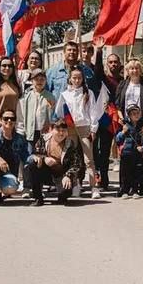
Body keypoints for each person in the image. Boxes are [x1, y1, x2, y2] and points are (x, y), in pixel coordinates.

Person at [53, 69, 106, 198]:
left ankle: (94, 187)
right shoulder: (65, 94)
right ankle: (75, 185)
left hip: (84, 128)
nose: (77, 81)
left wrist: (93, 129)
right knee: (72, 159)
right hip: (70, 129)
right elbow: (59, 112)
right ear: (70, 79)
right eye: (74, 78)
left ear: (83, 79)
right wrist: (61, 127)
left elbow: (93, 111)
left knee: (89, 159)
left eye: (79, 78)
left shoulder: (88, 93)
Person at [23, 119, 84, 206]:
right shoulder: (44, 139)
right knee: (32, 164)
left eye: (63, 131)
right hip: (45, 172)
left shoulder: (70, 144)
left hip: (61, 174)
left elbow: (77, 164)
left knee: (66, 192)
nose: (61, 133)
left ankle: (62, 196)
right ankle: (38, 198)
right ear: (51, 130)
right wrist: (44, 159)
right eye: (58, 130)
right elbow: (35, 153)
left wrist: (68, 175)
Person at [90, 41, 124, 197]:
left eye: (115, 62)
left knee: (122, 151)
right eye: (110, 62)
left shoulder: (124, 81)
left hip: (120, 120)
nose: (113, 64)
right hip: (104, 118)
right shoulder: (103, 79)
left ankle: (127, 182)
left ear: (120, 64)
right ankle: (102, 179)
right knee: (100, 152)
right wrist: (99, 51)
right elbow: (97, 71)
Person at [115, 104, 143, 198]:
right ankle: (124, 191)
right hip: (126, 154)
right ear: (129, 115)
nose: (136, 115)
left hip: (137, 154)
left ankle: (135, 191)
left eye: (138, 113)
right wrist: (123, 132)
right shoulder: (124, 125)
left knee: (137, 173)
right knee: (125, 174)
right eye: (133, 113)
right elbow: (117, 140)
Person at [17, 69, 55, 146]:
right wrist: (21, 132)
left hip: (45, 132)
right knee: (30, 155)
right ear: (32, 81)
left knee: (44, 155)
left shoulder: (50, 96)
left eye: (42, 79)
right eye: (36, 79)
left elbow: (53, 114)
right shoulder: (26, 97)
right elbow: (20, 116)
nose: (39, 82)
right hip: (29, 132)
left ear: (46, 81)